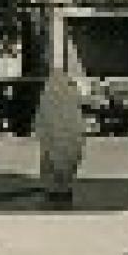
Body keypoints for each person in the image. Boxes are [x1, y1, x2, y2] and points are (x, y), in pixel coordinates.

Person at [34, 72, 87, 206]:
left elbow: (40, 122)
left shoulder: (48, 99)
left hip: (56, 142)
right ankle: (62, 189)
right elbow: (78, 123)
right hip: (64, 142)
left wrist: (43, 136)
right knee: (63, 166)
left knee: (55, 166)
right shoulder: (71, 99)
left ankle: (56, 190)